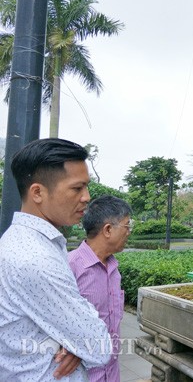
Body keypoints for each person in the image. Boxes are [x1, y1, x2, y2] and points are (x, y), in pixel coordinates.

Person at [0, 138, 111, 380]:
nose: (86, 197)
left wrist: (73, 341)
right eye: (76, 188)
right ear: (38, 192)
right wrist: (77, 341)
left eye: (86, 187)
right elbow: (99, 345)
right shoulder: (34, 258)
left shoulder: (29, 242)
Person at [68, 195, 132, 382]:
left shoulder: (114, 268)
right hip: (82, 375)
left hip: (111, 374)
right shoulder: (69, 267)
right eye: (127, 226)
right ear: (108, 229)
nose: (129, 232)